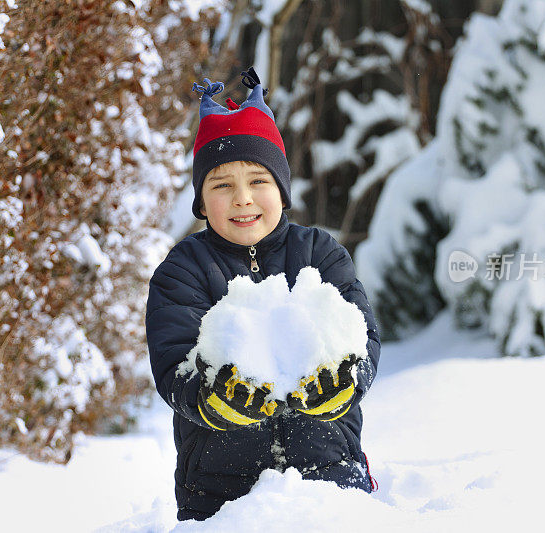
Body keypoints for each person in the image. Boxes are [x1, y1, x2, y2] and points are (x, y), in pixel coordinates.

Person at [145, 67, 381, 521]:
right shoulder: (183, 271)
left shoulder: (320, 254)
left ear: (281, 188)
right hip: (220, 495)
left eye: (258, 181)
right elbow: (173, 366)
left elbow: (363, 337)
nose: (242, 199)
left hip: (329, 480)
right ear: (200, 200)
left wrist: (347, 380)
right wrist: (213, 398)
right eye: (221, 185)